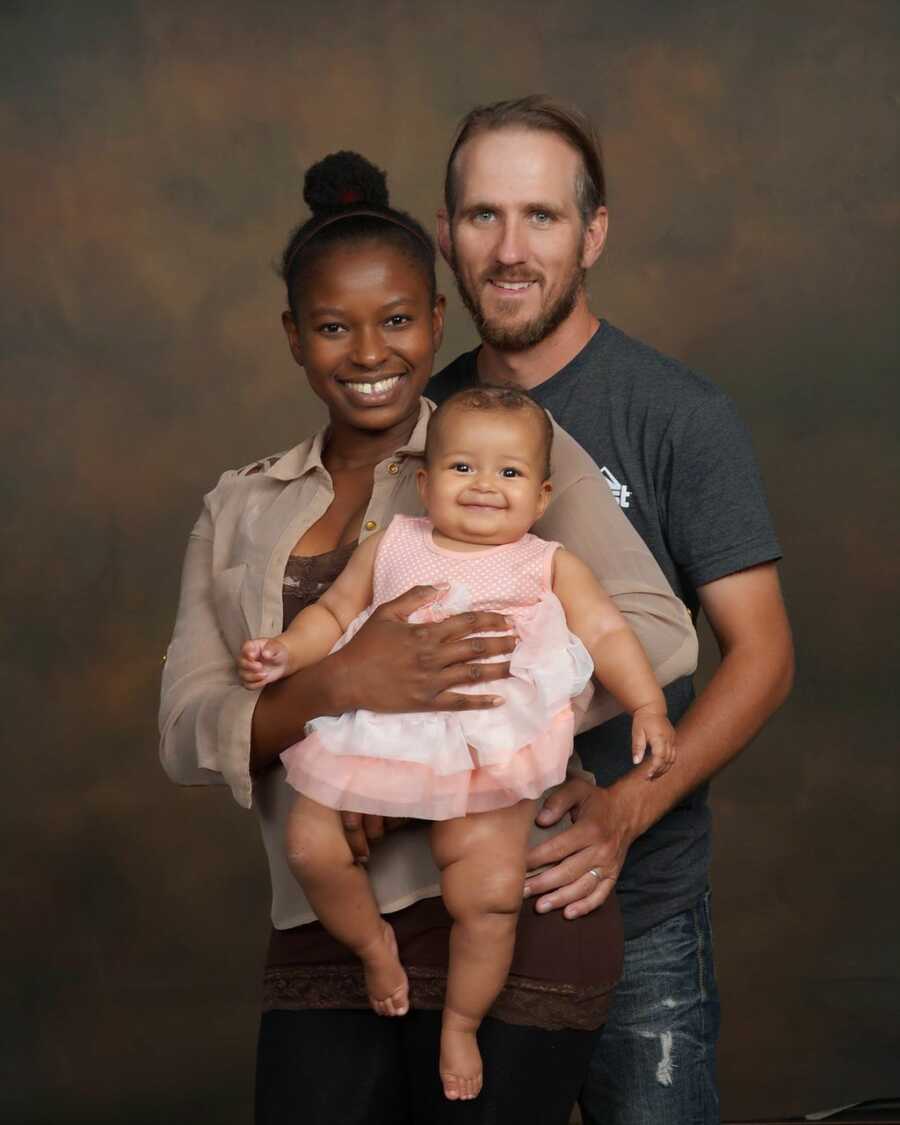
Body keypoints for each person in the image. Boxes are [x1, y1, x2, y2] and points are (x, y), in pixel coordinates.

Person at [159, 150, 697, 1125]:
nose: (370, 354)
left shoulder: (502, 444)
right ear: (294, 337)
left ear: (436, 322)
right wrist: (335, 691)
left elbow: (655, 631)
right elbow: (188, 726)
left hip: (508, 896)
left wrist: (481, 730)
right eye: (333, 327)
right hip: (324, 917)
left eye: (399, 321)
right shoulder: (242, 505)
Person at [427, 95, 795, 1125]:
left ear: (593, 233)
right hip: (455, 914)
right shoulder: (422, 417)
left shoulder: (678, 414)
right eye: (481, 216)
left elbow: (762, 656)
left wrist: (628, 808)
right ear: (448, 232)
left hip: (640, 913)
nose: (508, 250)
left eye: (541, 217)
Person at [239, 385, 678, 1101]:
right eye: (462, 467)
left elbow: (606, 632)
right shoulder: (394, 545)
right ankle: (373, 947)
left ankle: (462, 1024)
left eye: (508, 473)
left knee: (491, 894)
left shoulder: (546, 562)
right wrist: (287, 652)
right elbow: (335, 610)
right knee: (311, 845)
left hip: (486, 741)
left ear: (540, 497)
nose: (483, 485)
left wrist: (648, 705)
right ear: (425, 482)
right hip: (384, 727)